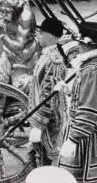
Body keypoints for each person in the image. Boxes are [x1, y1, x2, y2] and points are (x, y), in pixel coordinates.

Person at [57, 23, 97, 182]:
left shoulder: (92, 71)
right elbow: (88, 96)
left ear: (86, 45)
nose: (78, 46)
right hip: (89, 130)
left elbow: (89, 110)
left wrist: (73, 139)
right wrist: (69, 90)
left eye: (80, 43)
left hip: (87, 134)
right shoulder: (94, 64)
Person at [28, 18, 70, 167]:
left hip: (47, 121)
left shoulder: (53, 60)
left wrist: (39, 126)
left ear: (51, 37)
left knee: (44, 162)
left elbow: (49, 97)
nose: (38, 36)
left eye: (41, 33)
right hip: (43, 119)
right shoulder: (48, 55)